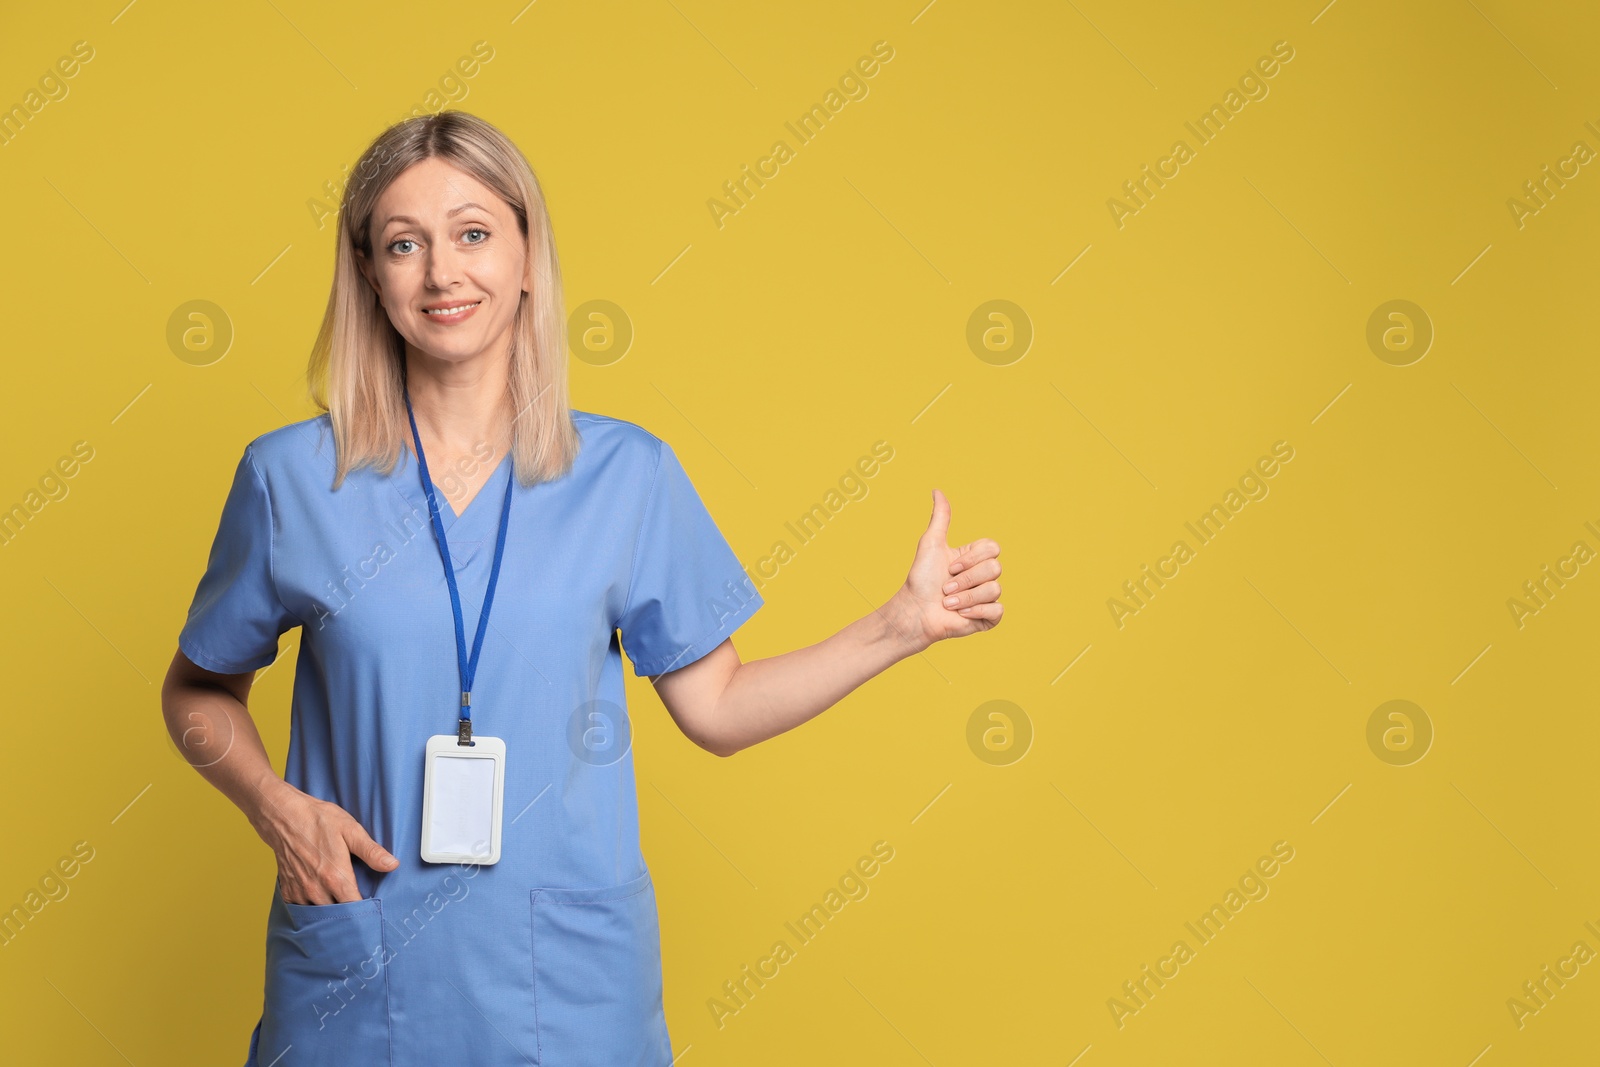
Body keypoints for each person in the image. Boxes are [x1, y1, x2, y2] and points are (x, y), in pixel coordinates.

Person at [161, 110, 1003, 1067]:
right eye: (406, 244)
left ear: (528, 257)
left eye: (474, 233)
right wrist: (276, 806)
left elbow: (718, 709)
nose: (443, 273)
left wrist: (899, 625)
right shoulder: (292, 482)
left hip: (565, 992)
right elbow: (194, 691)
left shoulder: (626, 476)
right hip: (363, 971)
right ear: (369, 276)